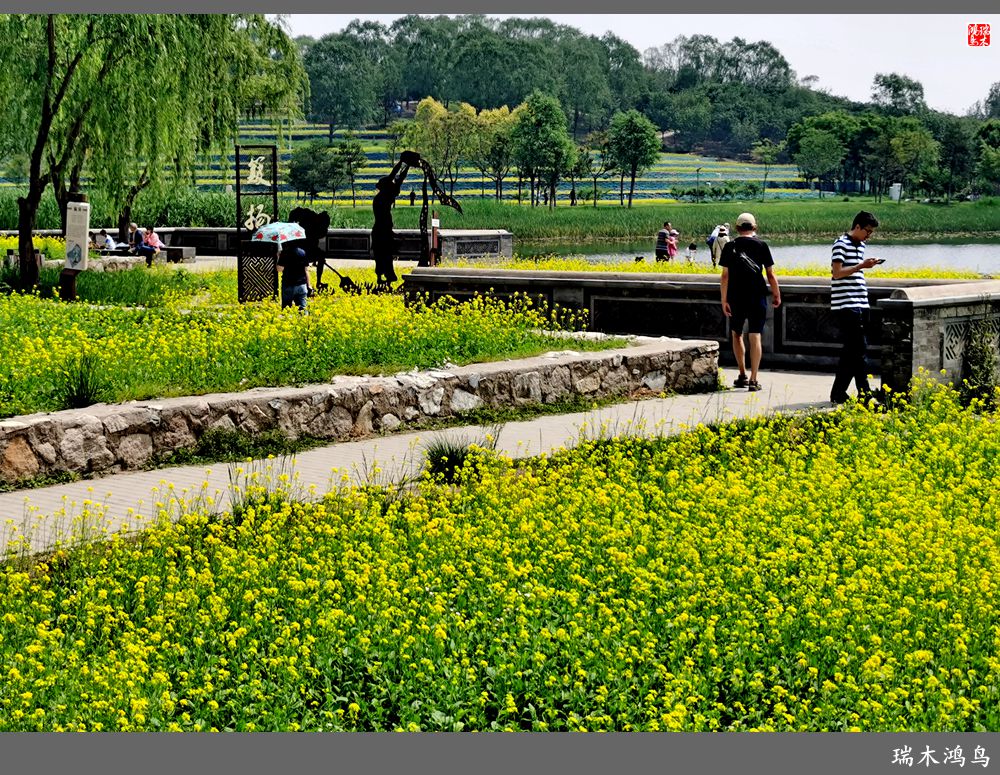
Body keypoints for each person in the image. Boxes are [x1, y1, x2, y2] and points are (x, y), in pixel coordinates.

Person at [719, 212, 781, 392]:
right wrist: (776, 294)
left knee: (737, 333)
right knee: (755, 335)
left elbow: (725, 276)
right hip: (757, 296)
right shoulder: (761, 245)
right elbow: (770, 274)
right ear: (754, 227)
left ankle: (742, 374)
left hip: (736, 297)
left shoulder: (730, 246)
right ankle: (754, 379)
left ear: (737, 228)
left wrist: (724, 300)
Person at [830, 211, 882, 405]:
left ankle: (838, 393)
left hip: (861, 302)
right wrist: (861, 266)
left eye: (871, 233)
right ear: (857, 227)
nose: (869, 235)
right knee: (859, 350)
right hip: (846, 304)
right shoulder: (840, 244)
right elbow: (837, 273)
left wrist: (865, 265)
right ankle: (865, 394)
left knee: (851, 352)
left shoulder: (861, 245)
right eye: (867, 231)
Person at [278, 244, 310, 311]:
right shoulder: (303, 252)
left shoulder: (285, 253)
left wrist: (278, 257)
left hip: (288, 284)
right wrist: (309, 285)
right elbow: (306, 270)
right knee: (303, 309)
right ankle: (304, 321)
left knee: (286, 309)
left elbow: (279, 269)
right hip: (302, 285)